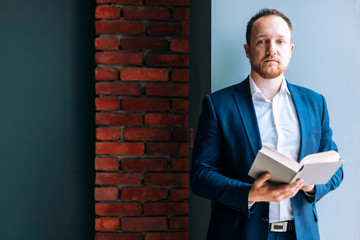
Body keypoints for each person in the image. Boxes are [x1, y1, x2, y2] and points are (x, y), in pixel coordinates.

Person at [190, 8, 343, 240]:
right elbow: (200, 176)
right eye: (262, 41)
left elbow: (336, 168)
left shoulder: (315, 103)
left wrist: (311, 187)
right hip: (239, 234)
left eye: (280, 41)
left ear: (290, 51)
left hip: (301, 234)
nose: (272, 49)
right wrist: (250, 193)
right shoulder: (218, 105)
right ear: (248, 50)